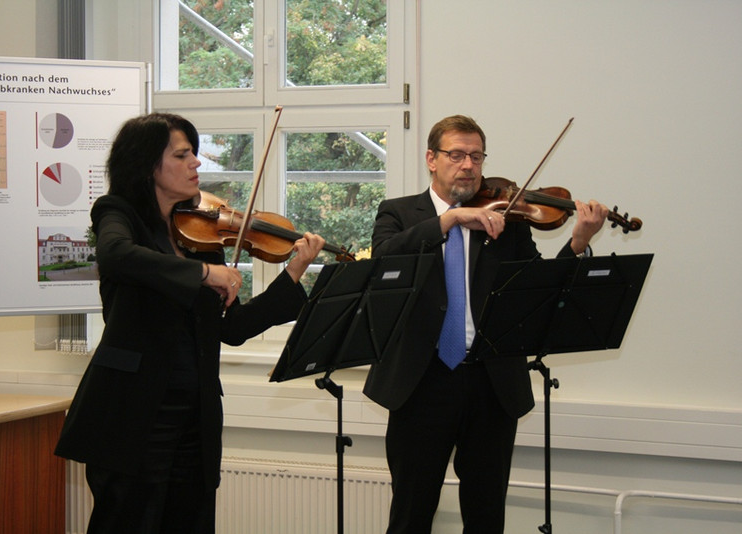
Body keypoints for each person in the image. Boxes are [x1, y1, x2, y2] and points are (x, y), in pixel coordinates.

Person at [55, 112, 326, 534]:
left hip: (192, 416)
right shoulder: (118, 214)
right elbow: (115, 255)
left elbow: (231, 329)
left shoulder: (201, 234)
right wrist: (203, 275)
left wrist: (293, 273)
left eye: (195, 154)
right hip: (133, 413)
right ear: (147, 164)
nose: (196, 163)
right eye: (182, 155)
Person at [363, 115, 608, 533]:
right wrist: (451, 220)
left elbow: (539, 290)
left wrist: (579, 241)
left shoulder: (507, 220)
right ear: (431, 159)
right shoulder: (401, 213)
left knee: (486, 514)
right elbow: (385, 256)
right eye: (456, 154)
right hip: (422, 383)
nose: (468, 165)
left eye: (476, 156)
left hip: (491, 384)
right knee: (411, 512)